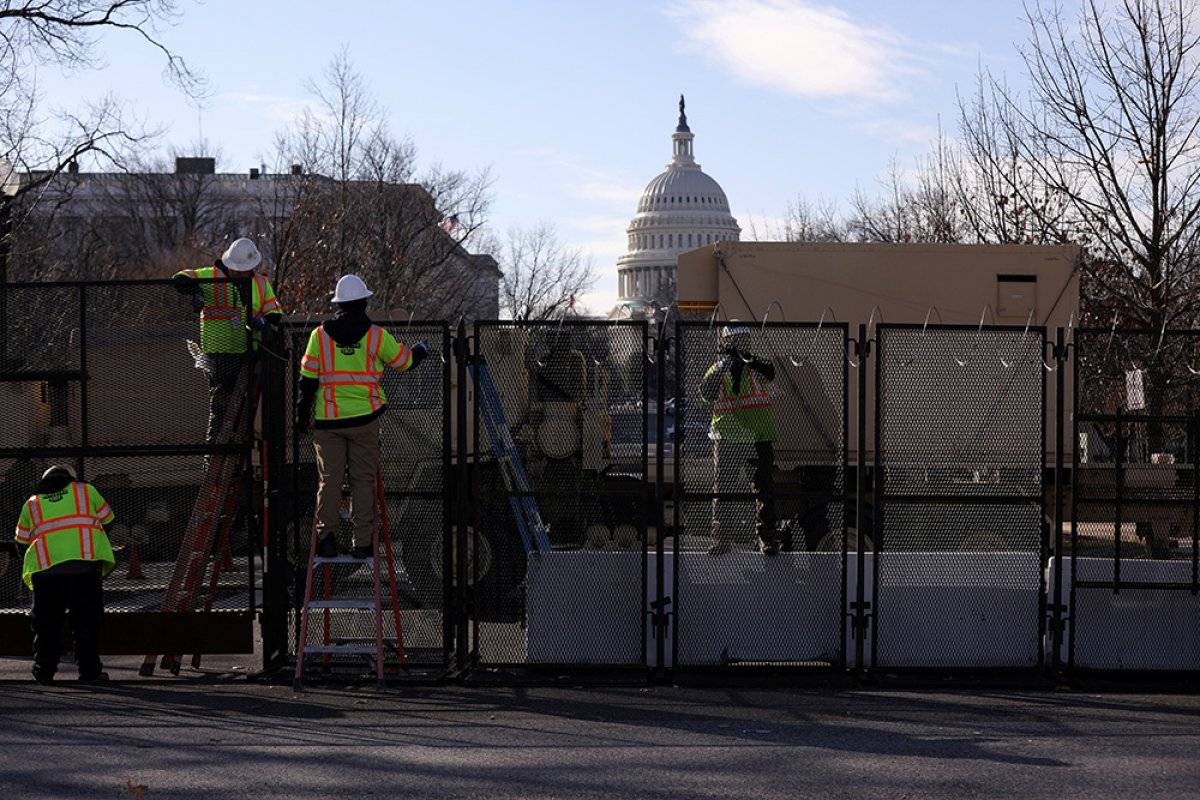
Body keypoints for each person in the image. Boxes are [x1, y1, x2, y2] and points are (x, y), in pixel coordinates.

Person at [295, 275, 429, 560]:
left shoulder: (319, 336)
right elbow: (404, 362)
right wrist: (420, 350)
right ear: (364, 303)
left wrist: (301, 415)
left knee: (329, 481)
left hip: (328, 422)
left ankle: (326, 538)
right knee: (363, 482)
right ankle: (362, 543)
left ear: (339, 304)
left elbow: (307, 380)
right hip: (365, 421)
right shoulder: (377, 336)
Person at [170, 237, 283, 445]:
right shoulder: (211, 276)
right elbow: (180, 278)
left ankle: (238, 450)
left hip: (250, 353)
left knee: (247, 409)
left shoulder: (261, 283)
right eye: (237, 270)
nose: (241, 273)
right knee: (221, 406)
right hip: (218, 354)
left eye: (245, 270)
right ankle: (217, 449)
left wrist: (262, 321)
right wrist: (196, 290)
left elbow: (274, 313)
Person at [14, 465, 117, 685]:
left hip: (46, 572)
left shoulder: (32, 502)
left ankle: (44, 672)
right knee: (86, 623)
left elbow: (21, 541)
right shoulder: (86, 491)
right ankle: (89, 672)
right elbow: (108, 520)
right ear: (71, 479)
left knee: (46, 624)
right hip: (84, 568)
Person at [699, 323, 778, 555]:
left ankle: (766, 538)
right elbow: (706, 393)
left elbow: (770, 373)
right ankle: (722, 540)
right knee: (724, 489)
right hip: (730, 436)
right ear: (727, 343)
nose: (741, 344)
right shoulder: (719, 368)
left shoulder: (755, 366)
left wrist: (750, 361)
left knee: (764, 488)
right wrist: (723, 366)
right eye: (737, 340)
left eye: (744, 340)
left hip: (756, 435)